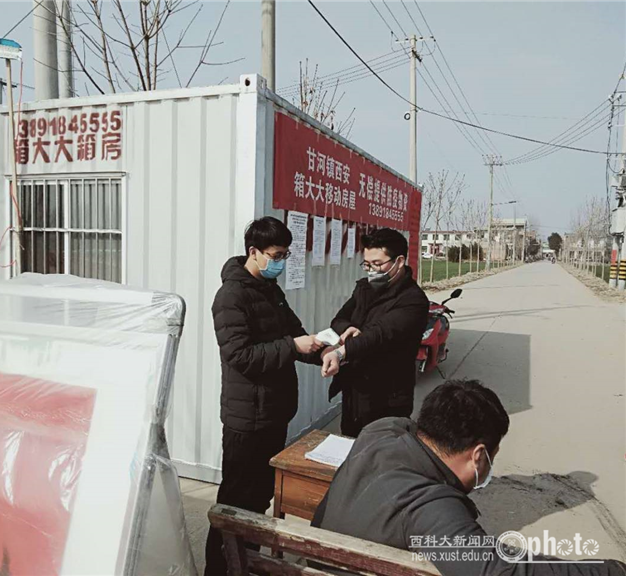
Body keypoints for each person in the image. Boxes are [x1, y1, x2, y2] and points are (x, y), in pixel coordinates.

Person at [312, 380, 626, 576]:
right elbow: (496, 570)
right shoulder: (429, 505)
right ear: (478, 456)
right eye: (492, 456)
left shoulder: (379, 432)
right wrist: (610, 571)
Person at [204, 216, 324, 576]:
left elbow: (295, 334)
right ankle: (219, 569)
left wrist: (326, 350)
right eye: (276, 255)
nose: (281, 263)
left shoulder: (270, 290)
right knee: (234, 504)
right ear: (253, 252)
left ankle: (246, 563)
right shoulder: (231, 296)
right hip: (246, 419)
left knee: (258, 499)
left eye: (285, 255)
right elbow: (240, 356)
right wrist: (293, 346)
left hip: (274, 412)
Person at [320, 228, 429, 437]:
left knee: (382, 451)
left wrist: (340, 353)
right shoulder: (364, 289)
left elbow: (379, 334)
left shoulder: (413, 300)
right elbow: (339, 319)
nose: (371, 271)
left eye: (377, 264)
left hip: (387, 399)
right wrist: (347, 329)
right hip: (356, 392)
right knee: (351, 444)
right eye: (367, 264)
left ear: (399, 261)